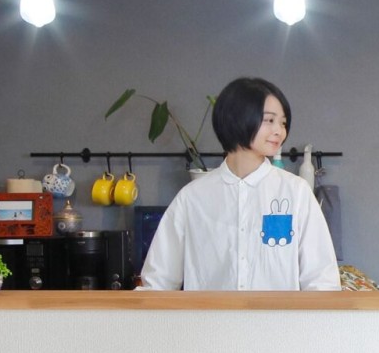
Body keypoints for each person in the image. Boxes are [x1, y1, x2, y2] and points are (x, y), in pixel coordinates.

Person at [138, 77, 341, 291]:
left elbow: (322, 282)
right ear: (237, 118)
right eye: (269, 120)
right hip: (210, 314)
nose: (279, 131)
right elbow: (158, 283)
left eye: (283, 122)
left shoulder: (296, 192)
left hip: (278, 315)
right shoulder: (192, 198)